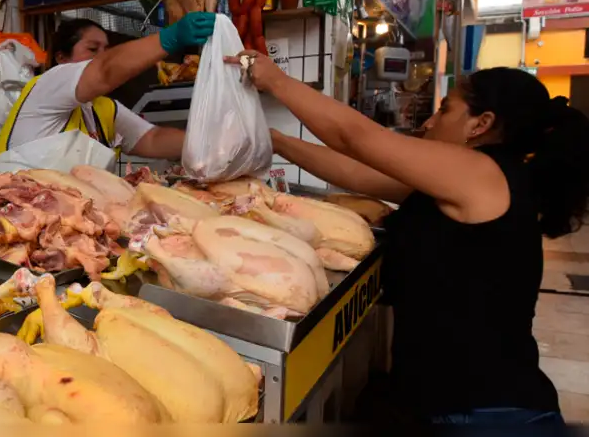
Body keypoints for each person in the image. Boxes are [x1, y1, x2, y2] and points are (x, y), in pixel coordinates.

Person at [231, 51, 589, 425]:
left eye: (445, 110)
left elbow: (354, 138)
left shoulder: (483, 174)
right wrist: (275, 141)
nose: (430, 122)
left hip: (489, 415)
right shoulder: (465, 181)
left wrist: (276, 81)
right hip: (456, 404)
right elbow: (355, 172)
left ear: (481, 124)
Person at [0, 12, 216, 162]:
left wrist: (211, 146)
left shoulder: (104, 108)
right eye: (92, 49)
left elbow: (152, 139)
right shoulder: (48, 85)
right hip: (13, 209)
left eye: (105, 50)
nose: (101, 56)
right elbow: (104, 70)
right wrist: (171, 37)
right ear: (61, 57)